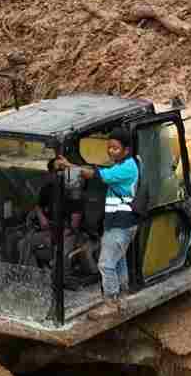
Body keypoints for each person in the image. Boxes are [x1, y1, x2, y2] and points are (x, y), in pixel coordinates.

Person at [59, 131, 140, 313]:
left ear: (126, 150)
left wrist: (70, 167)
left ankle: (110, 302)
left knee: (105, 264)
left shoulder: (125, 169)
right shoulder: (126, 164)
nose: (111, 151)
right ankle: (122, 297)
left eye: (115, 148)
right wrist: (72, 166)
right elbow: (95, 171)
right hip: (120, 223)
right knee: (118, 261)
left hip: (121, 224)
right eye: (109, 147)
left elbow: (95, 175)